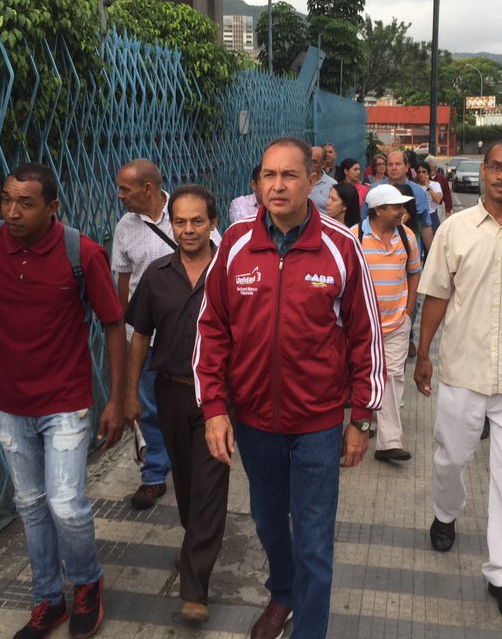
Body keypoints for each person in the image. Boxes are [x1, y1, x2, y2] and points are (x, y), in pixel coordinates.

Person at [195, 136, 384, 639]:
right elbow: (211, 329)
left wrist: (361, 418)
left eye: (289, 175)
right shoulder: (234, 244)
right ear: (257, 183)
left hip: (319, 424)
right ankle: (283, 593)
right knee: (268, 522)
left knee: (315, 542)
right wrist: (214, 408)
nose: (278, 185)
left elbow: (366, 337)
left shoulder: (341, 247)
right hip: (254, 422)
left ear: (311, 182)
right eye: (269, 175)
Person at [0, 162, 131, 639]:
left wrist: (117, 399)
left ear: (52, 207)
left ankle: (87, 584)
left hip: (65, 402)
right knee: (30, 504)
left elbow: (113, 323)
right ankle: (47, 598)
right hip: (11, 402)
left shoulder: (82, 253)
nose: (12, 212)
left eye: (26, 203)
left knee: (66, 505)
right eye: (6, 199)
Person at [413, 139, 502, 626]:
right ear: (483, 171)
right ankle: (446, 511)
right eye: (495, 167)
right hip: (461, 370)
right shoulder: (455, 230)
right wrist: (424, 354)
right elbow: (435, 294)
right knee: (451, 457)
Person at [126, 185, 230, 627]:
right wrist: (130, 391)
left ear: (212, 223)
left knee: (210, 484)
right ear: (172, 224)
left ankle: (195, 588)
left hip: (216, 397)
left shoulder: (230, 272)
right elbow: (140, 336)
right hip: (168, 392)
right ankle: (194, 546)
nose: (188, 230)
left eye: (197, 221)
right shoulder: (156, 274)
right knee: (187, 484)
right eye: (180, 222)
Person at [111, 159, 173, 510]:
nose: (120, 196)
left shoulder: (186, 214)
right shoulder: (125, 227)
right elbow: (124, 283)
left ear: (147, 189)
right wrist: (125, 328)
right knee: (147, 406)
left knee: (190, 403)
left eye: (125, 189)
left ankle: (194, 464)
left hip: (185, 335)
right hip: (144, 335)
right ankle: (153, 475)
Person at [354, 184, 421, 463]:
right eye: (396, 207)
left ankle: (389, 442)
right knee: (359, 378)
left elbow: (415, 273)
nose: (402, 212)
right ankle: (358, 427)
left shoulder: (406, 237)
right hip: (361, 327)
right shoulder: (354, 236)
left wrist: (408, 308)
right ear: (379, 210)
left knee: (393, 378)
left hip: (396, 324)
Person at [362, 150, 432, 254]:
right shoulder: (375, 189)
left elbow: (426, 226)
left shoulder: (419, 192)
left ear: (407, 167)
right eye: (390, 164)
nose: (393, 168)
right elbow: (364, 219)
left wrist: (432, 256)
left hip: (409, 252)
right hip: (377, 250)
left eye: (398, 164)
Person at [307, 145, 336, 213]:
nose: (308, 164)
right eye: (307, 160)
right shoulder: (299, 181)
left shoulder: (332, 185)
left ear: (323, 164)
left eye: (313, 162)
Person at [416, 161, 444, 231]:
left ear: (428, 173)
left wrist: (428, 186)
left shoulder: (435, 185)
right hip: (419, 217)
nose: (421, 174)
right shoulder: (415, 187)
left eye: (423, 172)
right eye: (419, 172)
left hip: (432, 216)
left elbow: (438, 199)